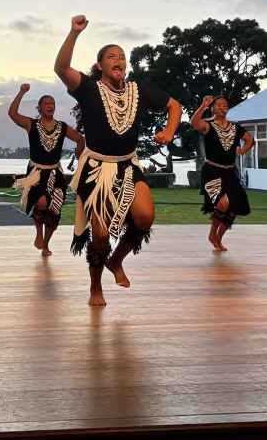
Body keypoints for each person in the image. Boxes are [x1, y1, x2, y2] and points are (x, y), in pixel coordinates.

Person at [54, 15, 181, 307]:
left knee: (145, 216)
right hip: (96, 168)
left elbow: (174, 105)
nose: (119, 60)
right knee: (99, 234)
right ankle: (95, 288)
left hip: (128, 166)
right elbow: (60, 68)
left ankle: (116, 261)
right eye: (111, 56)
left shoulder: (140, 91)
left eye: (122, 57)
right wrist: (74, 33)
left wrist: (170, 129)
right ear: (100, 65)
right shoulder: (88, 88)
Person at [8, 83, 84, 255]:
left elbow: (81, 140)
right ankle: (38, 235)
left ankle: (46, 244)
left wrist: (80, 158)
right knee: (41, 202)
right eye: (46, 103)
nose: (50, 105)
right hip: (36, 173)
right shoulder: (31, 124)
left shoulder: (62, 127)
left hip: (55, 173)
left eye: (53, 104)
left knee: (54, 210)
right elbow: (12, 114)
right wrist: (21, 92)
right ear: (40, 107)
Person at [190, 94, 253, 252]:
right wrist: (202, 106)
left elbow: (250, 140)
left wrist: (242, 150)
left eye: (226, 105)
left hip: (230, 172)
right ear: (213, 108)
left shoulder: (235, 127)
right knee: (223, 203)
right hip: (212, 171)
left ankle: (218, 236)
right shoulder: (208, 126)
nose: (224, 107)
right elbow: (194, 123)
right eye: (220, 105)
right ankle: (212, 234)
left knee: (234, 206)